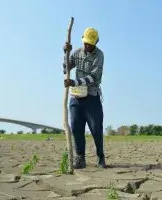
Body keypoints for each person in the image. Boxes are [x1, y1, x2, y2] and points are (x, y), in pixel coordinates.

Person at [62, 27, 106, 169]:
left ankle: (101, 157)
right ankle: (80, 158)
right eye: (85, 43)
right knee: (76, 127)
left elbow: (93, 77)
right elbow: (65, 69)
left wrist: (75, 82)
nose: (87, 46)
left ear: (96, 41)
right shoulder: (76, 53)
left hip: (92, 97)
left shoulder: (99, 56)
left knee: (96, 129)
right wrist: (66, 53)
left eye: (90, 43)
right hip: (76, 97)